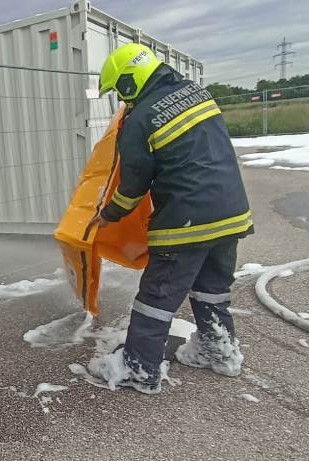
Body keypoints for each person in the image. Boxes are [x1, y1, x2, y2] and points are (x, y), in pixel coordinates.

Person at [88, 43, 253, 394]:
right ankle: (218, 352)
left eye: (120, 90)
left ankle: (138, 368)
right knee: (211, 289)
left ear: (131, 81)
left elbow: (132, 186)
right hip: (231, 213)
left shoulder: (140, 119)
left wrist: (109, 214)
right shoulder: (197, 94)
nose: (122, 99)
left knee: (156, 297)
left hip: (186, 221)